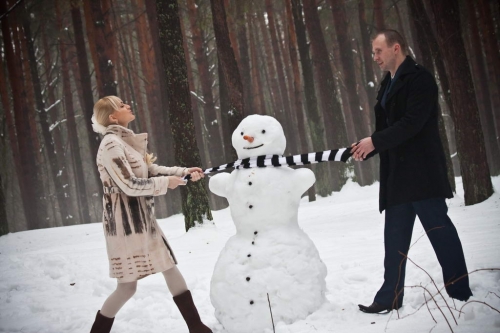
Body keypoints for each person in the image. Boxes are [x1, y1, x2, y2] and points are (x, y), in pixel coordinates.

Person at [351, 30, 472, 314]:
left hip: (422, 174)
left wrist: (376, 141)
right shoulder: (387, 84)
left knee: (440, 233)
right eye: (373, 52)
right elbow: (387, 127)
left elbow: (412, 124)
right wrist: (368, 146)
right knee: (394, 241)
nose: (375, 57)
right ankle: (389, 297)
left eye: (378, 51)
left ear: (396, 48)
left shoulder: (421, 79)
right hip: (397, 177)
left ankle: (459, 291)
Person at [89, 96, 212, 332]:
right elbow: (129, 184)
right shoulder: (111, 145)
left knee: (168, 266)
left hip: (143, 220)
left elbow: (150, 170)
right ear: (113, 117)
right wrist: (167, 183)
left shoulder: (124, 141)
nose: (128, 105)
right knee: (127, 287)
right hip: (124, 224)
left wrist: (184, 172)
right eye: (121, 105)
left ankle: (196, 327)